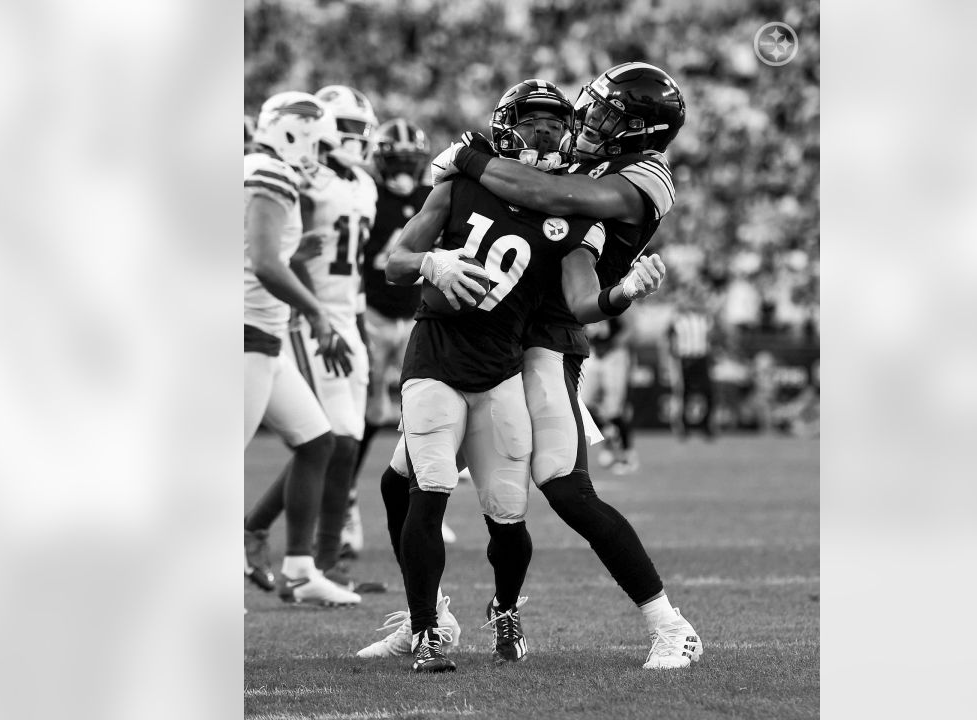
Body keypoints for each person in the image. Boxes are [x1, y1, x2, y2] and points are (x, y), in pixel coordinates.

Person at [381, 79, 666, 674]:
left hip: (515, 360)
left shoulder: (577, 197)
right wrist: (430, 260)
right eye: (531, 121)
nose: (547, 132)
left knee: (518, 504)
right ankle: (425, 625)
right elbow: (396, 263)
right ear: (508, 122)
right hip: (439, 352)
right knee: (417, 484)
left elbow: (580, 284)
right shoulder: (461, 188)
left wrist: (619, 295)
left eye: (552, 123)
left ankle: (505, 611)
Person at [243, 85, 380, 597]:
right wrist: (315, 308)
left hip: (338, 314)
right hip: (295, 317)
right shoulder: (282, 173)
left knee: (328, 440)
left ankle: (309, 567)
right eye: (332, 134)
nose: (342, 143)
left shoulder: (362, 185)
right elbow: (270, 250)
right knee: (337, 439)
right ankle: (298, 549)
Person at [354, 118, 458, 550]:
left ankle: (424, 504)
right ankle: (345, 505)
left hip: (415, 317)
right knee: (366, 416)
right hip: (372, 315)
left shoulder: (427, 196)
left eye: (409, 161)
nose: (402, 170)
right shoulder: (365, 195)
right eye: (395, 161)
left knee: (421, 412)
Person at [581, 314, 638, 473]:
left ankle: (628, 454)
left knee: (614, 409)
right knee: (581, 403)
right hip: (591, 352)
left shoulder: (616, 292)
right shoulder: (582, 293)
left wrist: (613, 343)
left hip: (614, 354)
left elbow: (630, 328)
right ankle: (609, 432)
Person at [667, 289, 719, 440]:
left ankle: (706, 425)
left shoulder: (705, 318)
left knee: (708, 392)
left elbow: (711, 338)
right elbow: (669, 340)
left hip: (701, 357)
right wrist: (671, 359)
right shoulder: (677, 318)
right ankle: (682, 426)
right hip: (684, 358)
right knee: (683, 393)